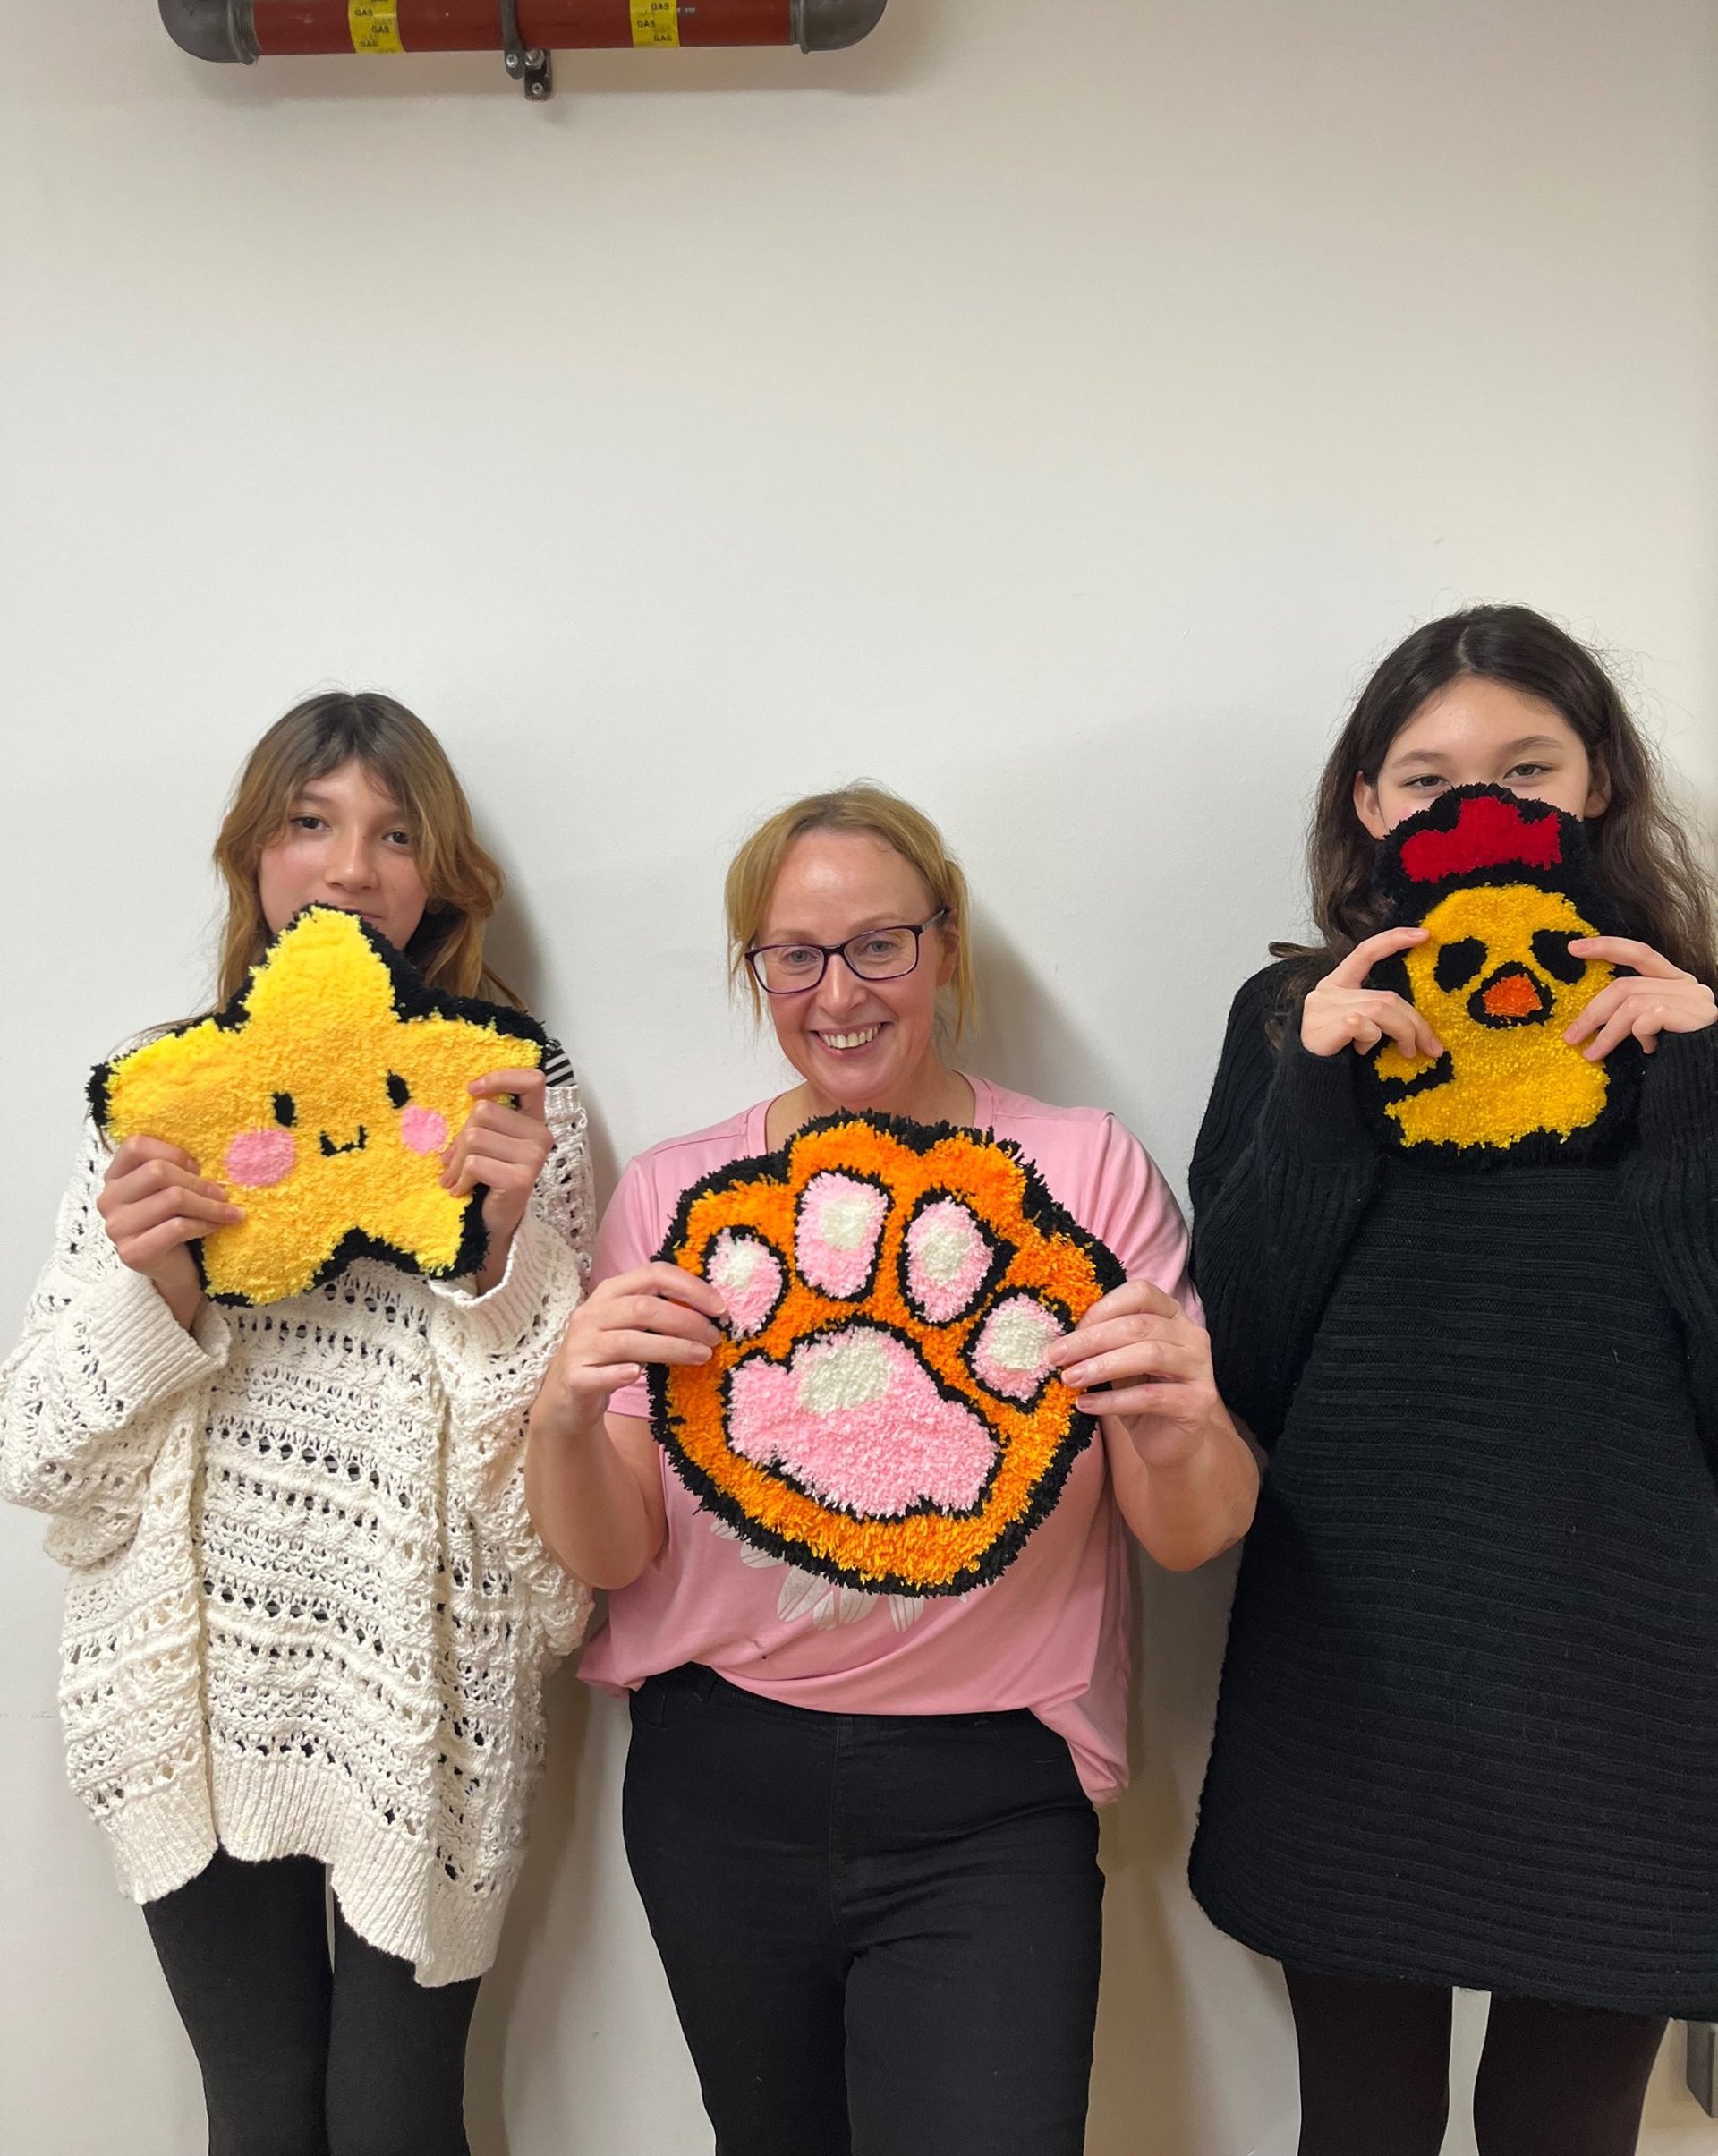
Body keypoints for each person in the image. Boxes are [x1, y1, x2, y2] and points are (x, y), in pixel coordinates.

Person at [525, 782, 1259, 2156]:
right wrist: (565, 1414)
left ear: (945, 944)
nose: (840, 993)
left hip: (991, 1799)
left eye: (879, 945)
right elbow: (615, 1552)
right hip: (719, 1785)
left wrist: (1182, 1414)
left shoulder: (1078, 1173)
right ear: (756, 972)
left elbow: (1190, 1535)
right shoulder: (678, 1199)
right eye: (794, 956)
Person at [0, 692, 593, 2156]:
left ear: (442, 872)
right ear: (252, 854)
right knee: (259, 2117)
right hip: (187, 1677)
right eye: (311, 823)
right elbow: (41, 1457)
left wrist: (497, 1259)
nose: (350, 868)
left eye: (395, 835)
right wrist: (160, 1290)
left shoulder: (517, 1099)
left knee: (396, 2120)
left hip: (420, 1678)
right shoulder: (158, 1096)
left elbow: (556, 1493)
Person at [1186, 605, 1718, 2156]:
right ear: (1368, 802)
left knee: (1567, 2132)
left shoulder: (1692, 1018)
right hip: (1359, 1654)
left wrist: (1696, 1103)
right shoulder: (1293, 1021)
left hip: (1629, 1674)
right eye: (1426, 778)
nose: (1478, 806)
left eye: (1527, 768)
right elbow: (1243, 1368)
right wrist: (1316, 1098)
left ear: (1599, 780)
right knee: (1361, 2125)